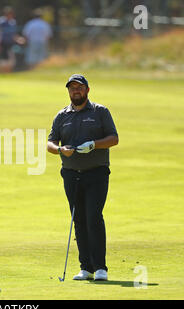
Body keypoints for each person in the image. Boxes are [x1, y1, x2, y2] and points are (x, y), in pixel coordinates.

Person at [47, 74, 119, 281]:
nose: (75, 91)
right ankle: (85, 267)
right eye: (72, 88)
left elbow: (114, 138)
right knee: (78, 219)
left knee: (93, 216)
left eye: (79, 87)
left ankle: (100, 268)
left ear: (87, 90)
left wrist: (94, 144)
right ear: (68, 91)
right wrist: (61, 149)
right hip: (71, 174)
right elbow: (50, 144)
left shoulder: (100, 112)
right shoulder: (62, 116)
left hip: (96, 172)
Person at [0, 6, 20, 73]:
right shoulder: (1, 22)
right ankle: (2, 73)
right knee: (4, 60)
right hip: (3, 43)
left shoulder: (13, 22)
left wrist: (18, 39)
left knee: (11, 60)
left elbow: (14, 34)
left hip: (11, 43)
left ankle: (8, 73)